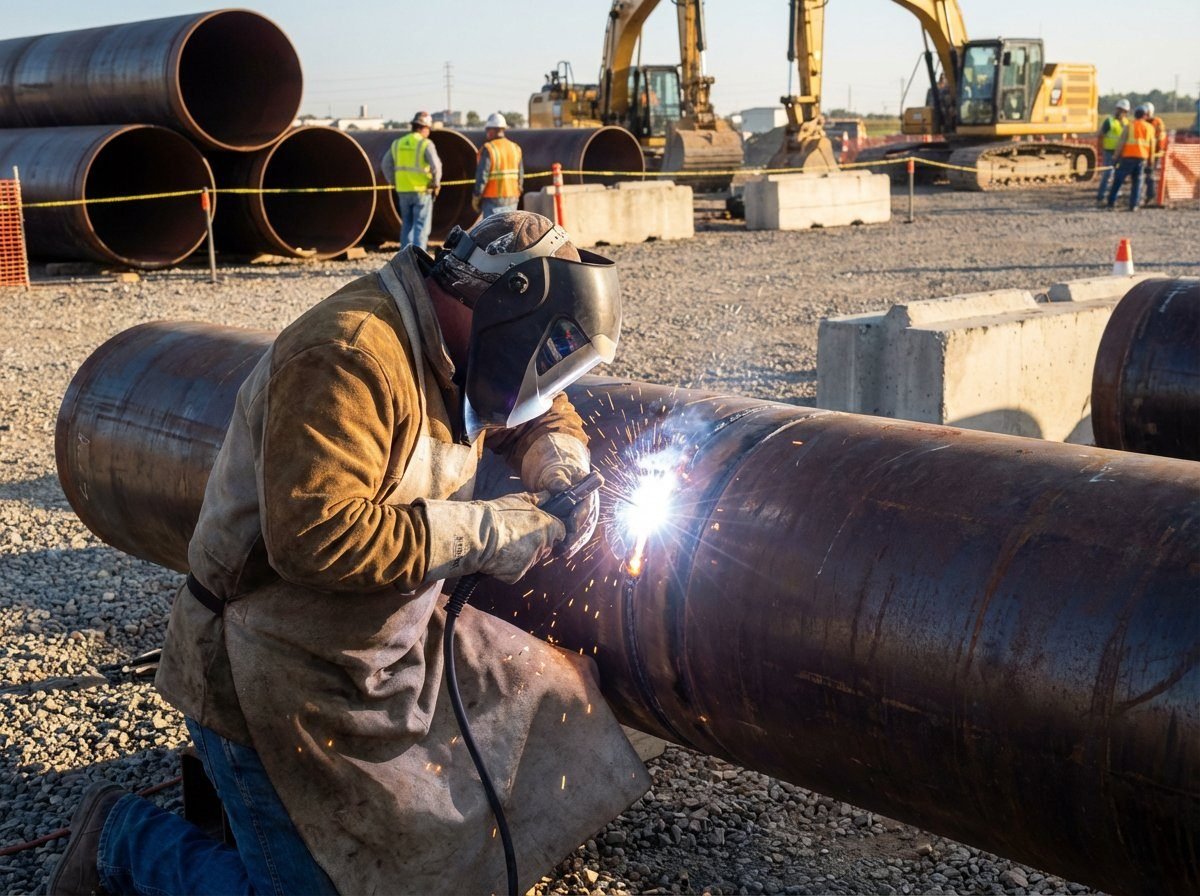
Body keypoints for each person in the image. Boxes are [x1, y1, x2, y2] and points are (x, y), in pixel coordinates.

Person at [47, 211, 649, 896]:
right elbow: (316, 537)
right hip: (269, 659)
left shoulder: (465, 339)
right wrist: (502, 529)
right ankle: (124, 843)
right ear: (500, 311)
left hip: (378, 640)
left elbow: (539, 405)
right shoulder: (349, 357)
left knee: (549, 700)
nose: (536, 377)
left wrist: (560, 465)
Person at [382, 110, 442, 250]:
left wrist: (394, 181)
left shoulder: (398, 143)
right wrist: (436, 184)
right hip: (422, 192)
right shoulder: (425, 143)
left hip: (403, 191)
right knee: (421, 227)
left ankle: (405, 259)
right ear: (424, 128)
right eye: (429, 129)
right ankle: (419, 260)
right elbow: (436, 166)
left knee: (406, 226)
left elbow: (385, 164)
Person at [473, 112, 524, 218]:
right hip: (512, 196)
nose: (487, 133)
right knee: (509, 229)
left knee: (492, 231)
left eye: (487, 130)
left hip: (493, 198)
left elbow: (482, 176)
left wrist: (476, 196)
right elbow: (520, 175)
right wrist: (519, 190)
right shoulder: (515, 148)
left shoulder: (489, 148)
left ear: (492, 130)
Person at [1106, 104, 1156, 211]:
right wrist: (1151, 163)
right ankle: (1133, 205)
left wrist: (1115, 157)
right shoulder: (1150, 128)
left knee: (1118, 180)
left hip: (1127, 157)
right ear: (1145, 115)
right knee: (1137, 182)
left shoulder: (1129, 126)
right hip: (1141, 159)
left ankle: (1111, 202)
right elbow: (1152, 146)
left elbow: (1121, 142)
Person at [1095, 98, 1130, 205]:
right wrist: (1100, 149)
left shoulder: (1126, 123)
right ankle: (1101, 196)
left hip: (1121, 152)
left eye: (1123, 111)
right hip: (1109, 151)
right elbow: (1101, 135)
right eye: (1120, 110)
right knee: (1107, 174)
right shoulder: (1109, 121)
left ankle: (1114, 195)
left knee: (1118, 175)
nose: (1121, 112)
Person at [1142, 101, 1167, 207]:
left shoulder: (1157, 123)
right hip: (1144, 152)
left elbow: (1160, 138)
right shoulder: (1143, 122)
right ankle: (1146, 194)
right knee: (1145, 174)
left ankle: (1150, 194)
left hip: (1153, 153)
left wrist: (1158, 150)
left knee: (1149, 174)